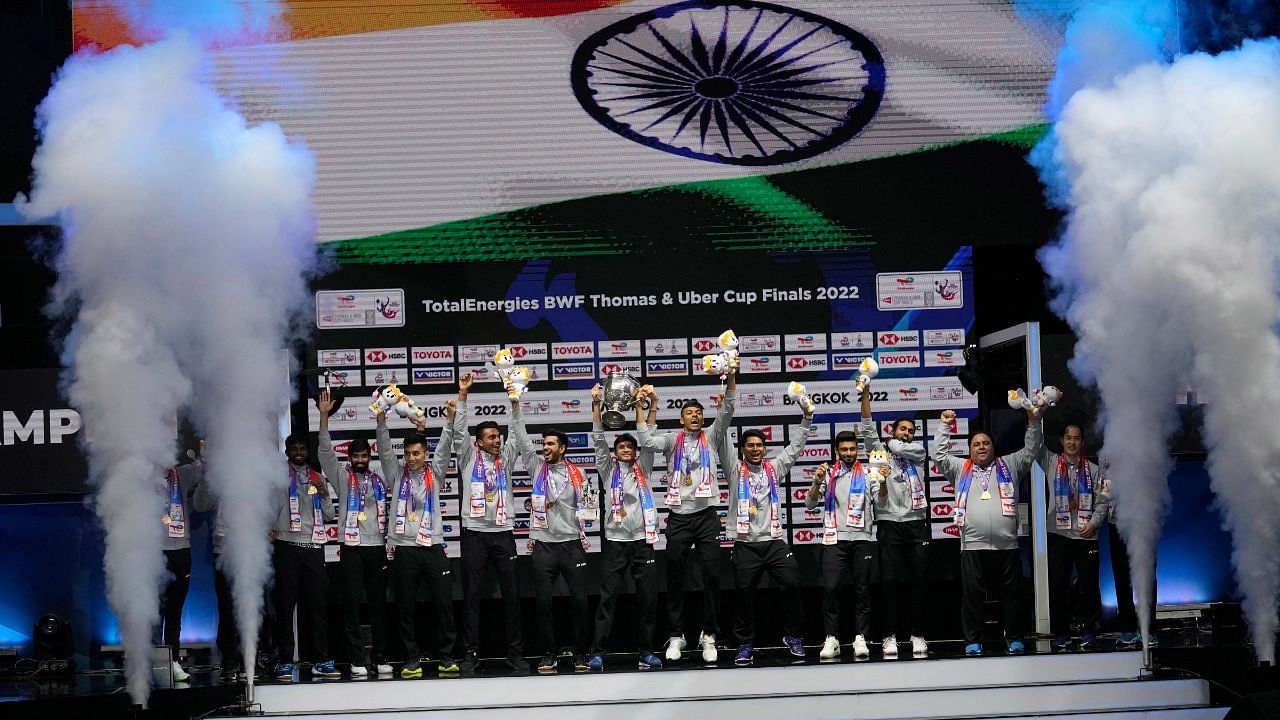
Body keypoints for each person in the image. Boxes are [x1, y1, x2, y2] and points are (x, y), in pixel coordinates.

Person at [638, 369, 737, 664]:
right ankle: (676, 635)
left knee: (712, 575)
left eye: (698, 413)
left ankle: (709, 634)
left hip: (706, 517)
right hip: (679, 517)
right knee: (676, 576)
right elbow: (646, 440)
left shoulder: (711, 436)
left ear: (703, 418)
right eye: (688, 413)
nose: (694, 416)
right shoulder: (670, 440)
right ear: (681, 419)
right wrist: (646, 408)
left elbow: (728, 410)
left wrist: (731, 375)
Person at [932, 408, 1042, 656]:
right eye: (976, 444)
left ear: (993, 447)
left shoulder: (1010, 464)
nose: (982, 448)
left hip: (1006, 545)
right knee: (972, 597)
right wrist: (944, 426)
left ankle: (1013, 637)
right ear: (970, 449)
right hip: (972, 544)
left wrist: (1034, 421)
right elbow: (938, 454)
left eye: (986, 443)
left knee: (1012, 597)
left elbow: (1031, 450)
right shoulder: (960, 468)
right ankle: (973, 641)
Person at [378, 382, 463, 677]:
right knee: (404, 609)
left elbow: (445, 447)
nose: (411, 458)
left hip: (433, 547)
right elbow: (384, 448)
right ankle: (411, 658)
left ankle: (446, 657)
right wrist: (380, 417)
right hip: (404, 549)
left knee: (444, 605)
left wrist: (450, 419)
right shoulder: (395, 474)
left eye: (416, 453)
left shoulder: (435, 472)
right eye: (408, 453)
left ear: (424, 454)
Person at [726, 400, 813, 666]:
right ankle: (745, 644)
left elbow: (795, 447)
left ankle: (793, 636)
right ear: (742, 450)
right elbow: (720, 437)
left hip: (774, 542)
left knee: (792, 583)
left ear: (765, 448)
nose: (755, 449)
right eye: (750, 445)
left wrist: (807, 418)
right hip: (746, 544)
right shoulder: (733, 469)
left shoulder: (774, 469)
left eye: (759, 445)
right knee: (744, 595)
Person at [456, 375, 529, 674]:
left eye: (497, 437)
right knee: (472, 596)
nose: (497, 440)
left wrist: (515, 402)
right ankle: (470, 653)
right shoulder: (466, 457)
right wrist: (463, 395)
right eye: (490, 437)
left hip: (503, 535)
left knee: (512, 596)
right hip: (474, 534)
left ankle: (515, 653)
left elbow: (517, 432)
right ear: (478, 442)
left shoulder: (506, 457)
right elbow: (459, 431)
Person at [586, 383, 661, 672]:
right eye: (621, 447)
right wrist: (596, 407)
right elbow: (597, 440)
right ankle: (598, 653)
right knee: (607, 599)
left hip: (643, 540)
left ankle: (646, 652)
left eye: (630, 446)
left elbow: (649, 437)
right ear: (615, 452)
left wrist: (646, 407)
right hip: (616, 541)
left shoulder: (646, 466)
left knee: (647, 600)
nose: (627, 449)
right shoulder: (607, 470)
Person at [510, 419, 594, 675]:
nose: (545, 448)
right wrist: (516, 406)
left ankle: (581, 651)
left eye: (550, 444)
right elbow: (523, 441)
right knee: (543, 603)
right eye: (544, 444)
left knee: (580, 601)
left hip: (571, 544)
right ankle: (549, 653)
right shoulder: (536, 468)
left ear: (563, 448)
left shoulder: (579, 474)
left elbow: (589, 511)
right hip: (544, 545)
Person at [317, 389, 391, 677]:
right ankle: (356, 659)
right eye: (356, 456)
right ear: (349, 457)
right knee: (351, 605)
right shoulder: (341, 477)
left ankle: (381, 656)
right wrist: (324, 417)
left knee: (378, 605)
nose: (360, 460)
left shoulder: (380, 479)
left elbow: (387, 452)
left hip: (376, 547)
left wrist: (381, 417)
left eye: (364, 456)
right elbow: (324, 453)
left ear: (369, 457)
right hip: (350, 547)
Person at [856, 387, 930, 658]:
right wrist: (865, 396)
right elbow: (866, 428)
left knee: (919, 581)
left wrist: (893, 443)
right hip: (888, 523)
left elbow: (912, 448)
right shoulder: (880, 454)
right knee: (889, 582)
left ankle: (918, 633)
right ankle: (890, 636)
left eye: (911, 430)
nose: (907, 433)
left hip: (916, 523)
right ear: (893, 430)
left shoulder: (917, 454)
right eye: (903, 430)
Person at [806, 429, 885, 660]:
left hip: (862, 538)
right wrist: (816, 482)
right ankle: (832, 638)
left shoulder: (870, 472)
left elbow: (881, 501)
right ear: (836, 451)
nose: (849, 453)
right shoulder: (828, 473)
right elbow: (810, 504)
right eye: (844, 449)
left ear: (857, 449)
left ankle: (861, 637)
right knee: (830, 589)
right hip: (834, 539)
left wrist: (883, 482)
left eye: (852, 449)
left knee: (862, 590)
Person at [271, 433, 339, 680]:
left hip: (313, 547)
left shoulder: (317, 477)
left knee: (318, 606)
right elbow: (269, 507)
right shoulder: (278, 476)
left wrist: (323, 493)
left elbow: (330, 514)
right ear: (287, 452)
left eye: (302, 448)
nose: (299, 452)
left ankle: (320, 659)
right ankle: (286, 660)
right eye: (294, 448)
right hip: (286, 545)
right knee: (285, 605)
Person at [1036, 424, 1108, 651]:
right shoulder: (1050, 463)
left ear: (1082, 443)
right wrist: (1033, 417)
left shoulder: (1096, 470)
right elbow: (1034, 446)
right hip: (1059, 533)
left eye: (1077, 438)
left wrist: (1094, 523)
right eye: (1068, 438)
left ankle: (1089, 629)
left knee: (1089, 585)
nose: (1072, 442)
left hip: (1086, 535)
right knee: (1058, 586)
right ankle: (1061, 632)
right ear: (1061, 441)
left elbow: (1104, 500)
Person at [1101, 455, 1157, 649]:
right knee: (1121, 577)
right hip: (1116, 522)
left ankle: (1149, 630)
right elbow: (1104, 490)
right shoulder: (1107, 453)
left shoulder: (1147, 446)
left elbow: (1160, 486)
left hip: (1143, 521)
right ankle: (1127, 628)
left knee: (1146, 575)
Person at [159, 453, 203, 682]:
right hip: (154, 551)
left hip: (181, 549)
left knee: (174, 611)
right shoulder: (140, 477)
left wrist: (206, 450)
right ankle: (152, 662)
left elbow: (204, 468)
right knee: (153, 611)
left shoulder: (181, 475)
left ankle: (173, 660)